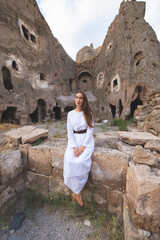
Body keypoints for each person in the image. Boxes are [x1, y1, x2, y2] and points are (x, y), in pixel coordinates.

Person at [63, 91, 95, 206]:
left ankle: (77, 191)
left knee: (81, 161)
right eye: (76, 97)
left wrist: (82, 147)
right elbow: (69, 131)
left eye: (81, 98)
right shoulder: (70, 114)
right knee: (69, 160)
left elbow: (90, 131)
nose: (78, 100)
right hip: (74, 141)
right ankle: (76, 191)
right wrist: (74, 147)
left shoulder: (88, 113)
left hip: (86, 140)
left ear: (84, 100)